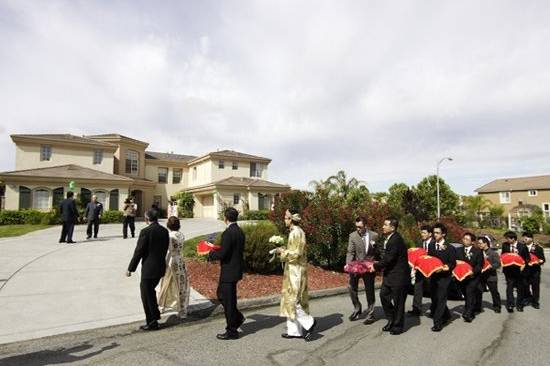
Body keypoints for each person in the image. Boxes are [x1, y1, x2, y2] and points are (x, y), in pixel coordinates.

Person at [276, 209, 316, 341]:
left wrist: (282, 252)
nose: (284, 220)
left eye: (286, 217)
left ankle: (309, 322)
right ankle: (294, 331)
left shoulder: (297, 233)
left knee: (293, 300)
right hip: (293, 270)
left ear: (291, 219)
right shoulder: (294, 232)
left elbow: (296, 254)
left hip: (296, 271)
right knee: (290, 299)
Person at [126, 209, 169, 331]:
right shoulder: (164, 231)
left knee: (146, 294)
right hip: (160, 266)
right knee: (150, 292)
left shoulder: (146, 231)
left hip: (149, 268)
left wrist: (130, 268)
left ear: (147, 219)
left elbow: (139, 251)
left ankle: (152, 322)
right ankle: (155, 317)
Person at [208, 207, 245, 340]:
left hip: (229, 271)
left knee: (227, 300)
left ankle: (232, 330)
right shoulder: (240, 231)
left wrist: (211, 253)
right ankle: (237, 318)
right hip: (236, 269)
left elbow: (224, 253)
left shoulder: (228, 233)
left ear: (226, 218)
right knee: (224, 296)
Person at [373, 218, 409, 335]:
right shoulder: (389, 238)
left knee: (398, 302)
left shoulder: (396, 240)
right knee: (384, 296)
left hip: (398, 277)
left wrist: (375, 266)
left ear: (392, 228)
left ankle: (398, 326)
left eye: (385, 225)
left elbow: (389, 258)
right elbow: (385, 256)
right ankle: (391, 319)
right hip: (389, 276)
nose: (383, 227)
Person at [346, 216, 380, 323]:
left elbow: (376, 251)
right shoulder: (352, 236)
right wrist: (348, 265)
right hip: (356, 266)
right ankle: (357, 308)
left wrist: (375, 264)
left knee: (369, 290)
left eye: (360, 227)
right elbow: (350, 252)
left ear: (365, 226)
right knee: (351, 288)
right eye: (356, 227)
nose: (358, 229)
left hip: (368, 267)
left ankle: (371, 313)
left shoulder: (374, 235)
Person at [158, 216, 190, 319]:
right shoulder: (181, 235)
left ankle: (162, 305)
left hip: (171, 260)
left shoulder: (169, 236)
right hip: (180, 260)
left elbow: (166, 250)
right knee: (181, 284)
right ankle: (182, 310)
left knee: (166, 283)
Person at [428, 222, 457, 332]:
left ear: (443, 234)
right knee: (435, 299)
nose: (435, 235)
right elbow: (430, 260)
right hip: (433, 277)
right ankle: (447, 315)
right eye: (434, 232)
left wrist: (445, 267)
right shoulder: (431, 246)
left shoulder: (450, 248)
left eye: (437, 233)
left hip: (445, 278)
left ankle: (437, 323)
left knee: (441, 299)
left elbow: (452, 263)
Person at [456, 232, 483, 322]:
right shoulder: (458, 250)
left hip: (473, 277)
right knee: (467, 295)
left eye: (467, 239)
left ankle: (468, 313)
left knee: (469, 293)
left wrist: (473, 272)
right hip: (462, 277)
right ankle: (470, 309)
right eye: (464, 239)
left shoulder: (478, 251)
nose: (464, 240)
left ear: (472, 242)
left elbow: (480, 265)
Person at [408, 224, 435, 316]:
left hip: (430, 271)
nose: (422, 234)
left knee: (433, 290)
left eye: (424, 233)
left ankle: (435, 309)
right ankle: (416, 309)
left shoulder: (435, 244)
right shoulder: (419, 243)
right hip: (420, 270)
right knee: (417, 289)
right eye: (421, 233)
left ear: (430, 234)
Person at [501, 231, 529, 313]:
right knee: (509, 287)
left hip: (519, 271)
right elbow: (503, 255)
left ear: (513, 238)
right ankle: (510, 304)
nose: (506, 240)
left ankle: (519, 305)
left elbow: (527, 259)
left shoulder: (522, 246)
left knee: (520, 288)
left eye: (508, 238)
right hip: (508, 271)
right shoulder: (505, 245)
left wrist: (523, 264)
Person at [476, 236, 502, 313]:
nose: (479, 245)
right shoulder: (477, 252)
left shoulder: (493, 253)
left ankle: (497, 306)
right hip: (480, 276)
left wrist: (491, 266)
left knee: (494, 292)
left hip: (491, 276)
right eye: (478, 243)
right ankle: (477, 307)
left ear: (485, 243)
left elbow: (498, 264)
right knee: (478, 292)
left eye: (480, 243)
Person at [522, 232, 546, 309]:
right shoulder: (522, 247)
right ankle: (528, 298)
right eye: (524, 238)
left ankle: (535, 302)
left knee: (535, 287)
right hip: (525, 271)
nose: (524, 239)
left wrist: (538, 262)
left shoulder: (538, 248)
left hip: (535, 271)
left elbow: (542, 259)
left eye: (526, 238)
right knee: (525, 286)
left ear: (531, 238)